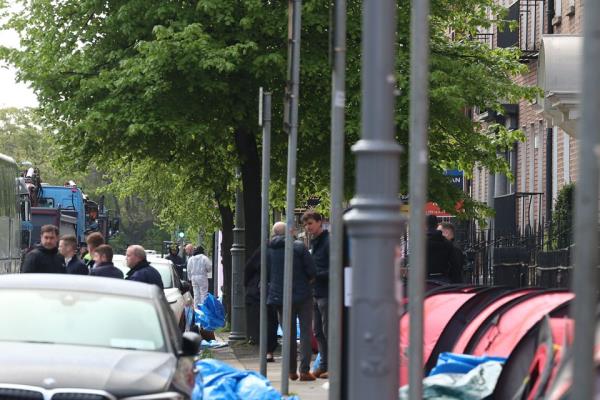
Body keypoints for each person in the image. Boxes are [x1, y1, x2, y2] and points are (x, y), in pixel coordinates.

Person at [267, 221, 317, 381]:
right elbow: (312, 271)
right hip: (302, 295)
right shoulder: (299, 247)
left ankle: (290, 371)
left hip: (280, 297)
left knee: (287, 334)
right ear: (289, 232)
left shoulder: (269, 249)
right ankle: (304, 370)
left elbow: (266, 272)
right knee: (305, 333)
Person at [302, 210, 330, 379]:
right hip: (316, 292)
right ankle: (324, 364)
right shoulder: (315, 243)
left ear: (320, 221)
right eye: (305, 224)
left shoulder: (328, 242)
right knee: (318, 331)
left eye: (310, 223)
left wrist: (314, 274)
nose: (307, 227)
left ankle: (333, 366)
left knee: (329, 331)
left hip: (327, 292)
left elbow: (334, 268)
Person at [243, 247, 279, 361]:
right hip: (281, 290)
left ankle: (267, 350)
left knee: (266, 320)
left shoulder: (264, 250)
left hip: (262, 291)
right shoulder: (293, 249)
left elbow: (248, 269)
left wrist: (248, 285)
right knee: (274, 321)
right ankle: (273, 350)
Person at [425, 215, 459, 282]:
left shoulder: (418, 243)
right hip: (442, 280)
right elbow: (455, 264)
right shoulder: (447, 243)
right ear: (437, 225)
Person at [186, 244, 212, 308]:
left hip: (193, 278)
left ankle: (196, 309)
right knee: (203, 294)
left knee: (196, 294)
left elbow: (188, 270)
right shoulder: (204, 258)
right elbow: (209, 268)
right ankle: (203, 309)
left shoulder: (191, 259)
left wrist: (190, 279)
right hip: (202, 277)